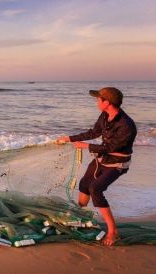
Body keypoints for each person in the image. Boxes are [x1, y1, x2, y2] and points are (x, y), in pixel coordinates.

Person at [56, 87, 136, 246]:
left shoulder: (127, 125)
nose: (96, 101)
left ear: (107, 102)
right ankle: (80, 218)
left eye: (98, 99)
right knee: (85, 184)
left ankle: (113, 231)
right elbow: (94, 133)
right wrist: (69, 138)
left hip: (118, 163)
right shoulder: (105, 115)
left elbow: (111, 148)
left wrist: (86, 147)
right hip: (102, 158)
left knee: (95, 189)